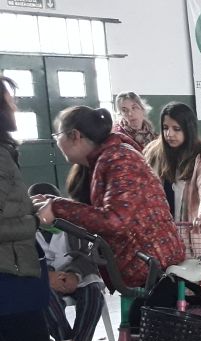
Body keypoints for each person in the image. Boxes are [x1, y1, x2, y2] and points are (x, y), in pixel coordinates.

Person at [0, 76, 75, 341]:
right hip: (8, 279)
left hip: (10, 274)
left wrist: (29, 208)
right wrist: (34, 220)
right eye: (9, 96)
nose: (14, 103)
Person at [32, 106, 185, 290]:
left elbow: (115, 220)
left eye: (58, 135)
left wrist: (57, 208)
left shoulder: (119, 159)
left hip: (151, 264)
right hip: (144, 261)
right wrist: (53, 202)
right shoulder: (106, 158)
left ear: (75, 135)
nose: (57, 141)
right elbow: (102, 212)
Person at [28, 183, 103, 341]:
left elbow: (87, 256)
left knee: (94, 291)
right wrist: (48, 275)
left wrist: (74, 275)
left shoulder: (74, 225)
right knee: (43, 296)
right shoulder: (24, 230)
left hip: (74, 276)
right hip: (42, 277)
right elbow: (23, 259)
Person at [144, 101, 201, 257]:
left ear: (188, 129)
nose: (169, 134)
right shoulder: (153, 151)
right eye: (165, 128)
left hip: (192, 235)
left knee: (191, 279)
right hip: (159, 234)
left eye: (176, 129)